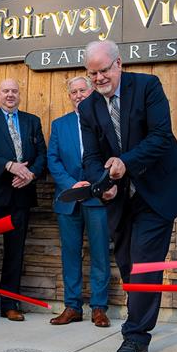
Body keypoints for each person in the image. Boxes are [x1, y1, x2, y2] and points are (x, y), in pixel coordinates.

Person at [76, 40, 177, 352]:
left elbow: (160, 137)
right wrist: (102, 184)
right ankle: (140, 313)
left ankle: (135, 335)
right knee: (129, 263)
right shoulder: (87, 107)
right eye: (92, 73)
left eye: (104, 70)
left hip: (156, 191)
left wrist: (124, 163)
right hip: (120, 197)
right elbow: (90, 156)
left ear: (119, 64)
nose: (99, 78)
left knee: (145, 261)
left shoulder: (147, 87)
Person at [0, 78, 47, 324]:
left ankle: (10, 304)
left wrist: (30, 174)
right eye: (6, 91)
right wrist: (11, 166)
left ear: (19, 95)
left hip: (21, 194)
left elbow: (42, 155)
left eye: (14, 91)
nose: (10, 95)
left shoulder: (32, 121)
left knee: (15, 252)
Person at [47, 76, 111, 328]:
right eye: (73, 91)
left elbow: (111, 157)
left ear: (91, 91)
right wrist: (72, 184)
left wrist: (96, 184)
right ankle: (73, 306)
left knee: (100, 254)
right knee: (70, 255)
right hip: (68, 198)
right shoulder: (60, 124)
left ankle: (99, 307)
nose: (78, 95)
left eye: (82, 90)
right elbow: (53, 160)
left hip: (96, 198)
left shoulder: (104, 121)